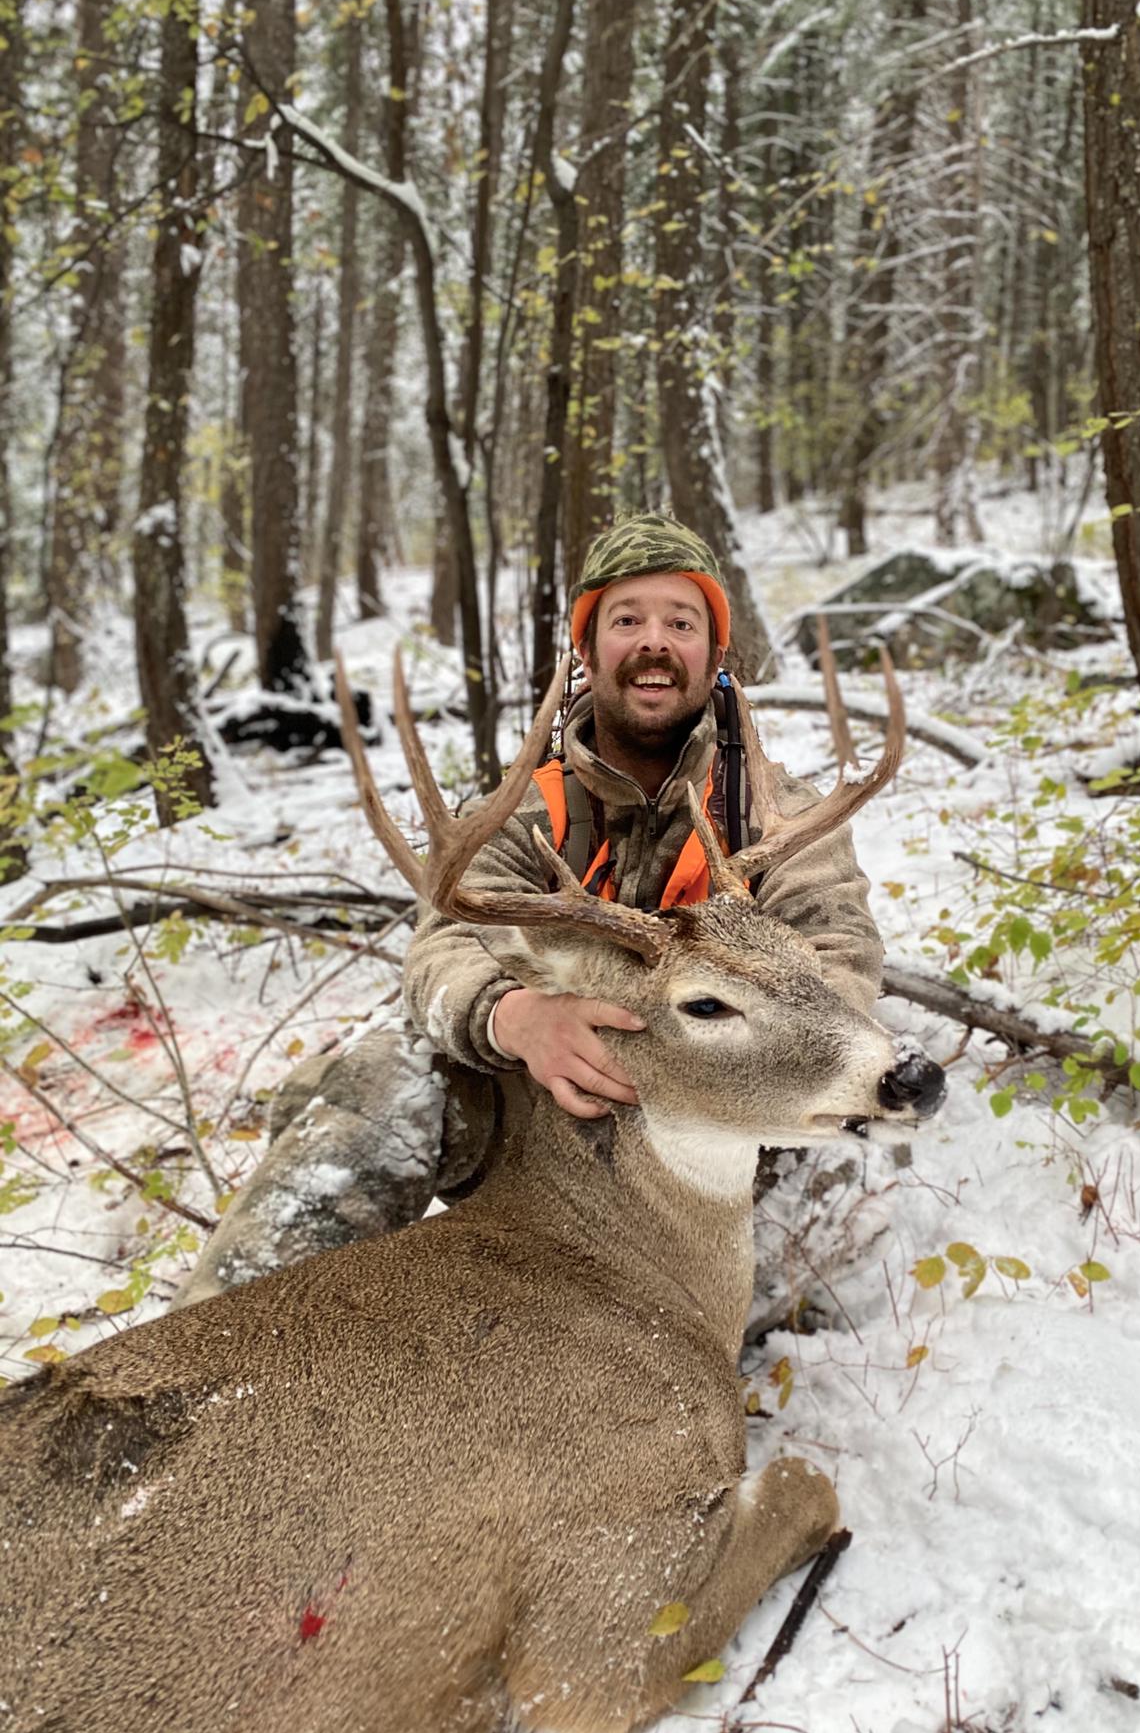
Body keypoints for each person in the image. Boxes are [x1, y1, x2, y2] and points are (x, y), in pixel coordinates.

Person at [173, 514, 884, 1309]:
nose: (655, 642)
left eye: (682, 622)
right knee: (386, 1075)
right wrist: (515, 1017)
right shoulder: (518, 816)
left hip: (725, 1117)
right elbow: (440, 955)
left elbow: (839, 954)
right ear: (588, 652)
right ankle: (213, 1351)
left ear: (714, 652)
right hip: (551, 1116)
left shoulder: (780, 814)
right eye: (626, 620)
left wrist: (736, 1056)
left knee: (779, 1282)